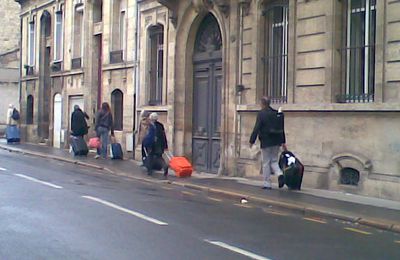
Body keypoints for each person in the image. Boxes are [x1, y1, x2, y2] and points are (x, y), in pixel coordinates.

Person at [249, 97, 286, 190]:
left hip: (266, 141)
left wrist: (251, 141)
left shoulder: (261, 114)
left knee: (266, 163)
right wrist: (283, 142)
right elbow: (281, 128)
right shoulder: (276, 113)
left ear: (262, 103)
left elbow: (257, 128)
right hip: (276, 141)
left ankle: (267, 183)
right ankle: (280, 174)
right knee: (273, 160)